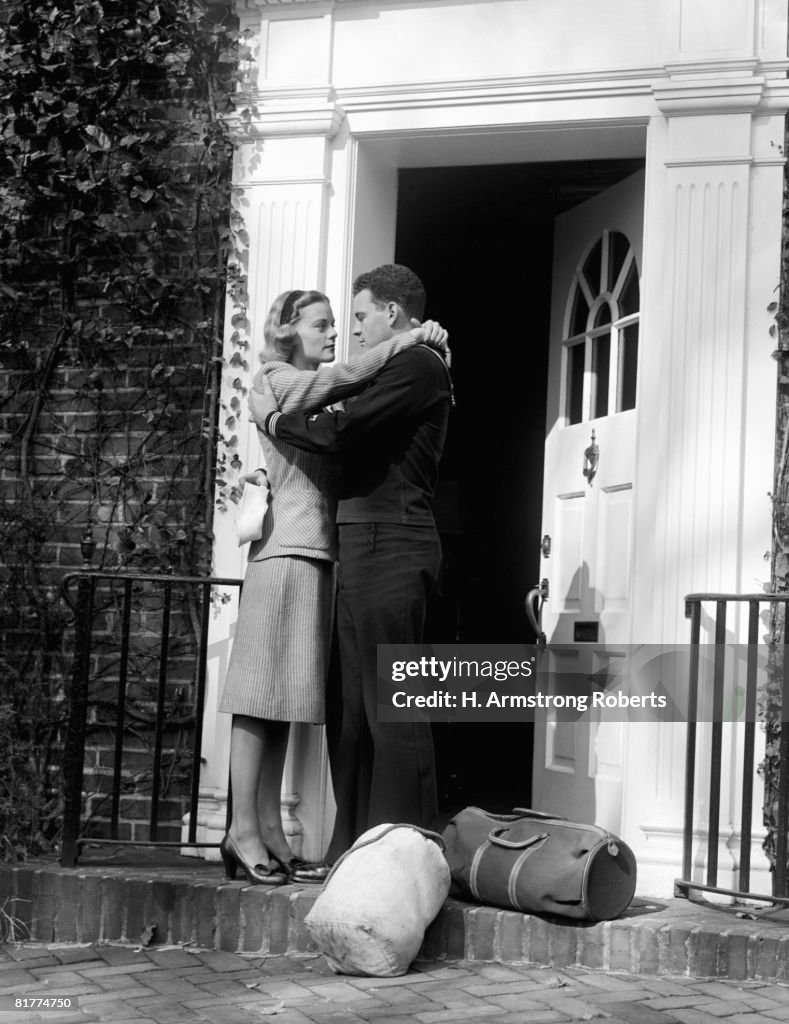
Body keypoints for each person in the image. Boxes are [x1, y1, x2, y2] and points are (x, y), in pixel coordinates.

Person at [218, 287, 447, 886]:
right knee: (259, 693)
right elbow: (344, 382)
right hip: (286, 549)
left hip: (321, 552)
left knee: (288, 698)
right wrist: (411, 339)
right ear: (289, 329)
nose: (337, 333)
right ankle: (241, 830)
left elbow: (349, 418)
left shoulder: (322, 393)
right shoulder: (279, 380)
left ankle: (268, 828)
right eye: (323, 323)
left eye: (345, 320)